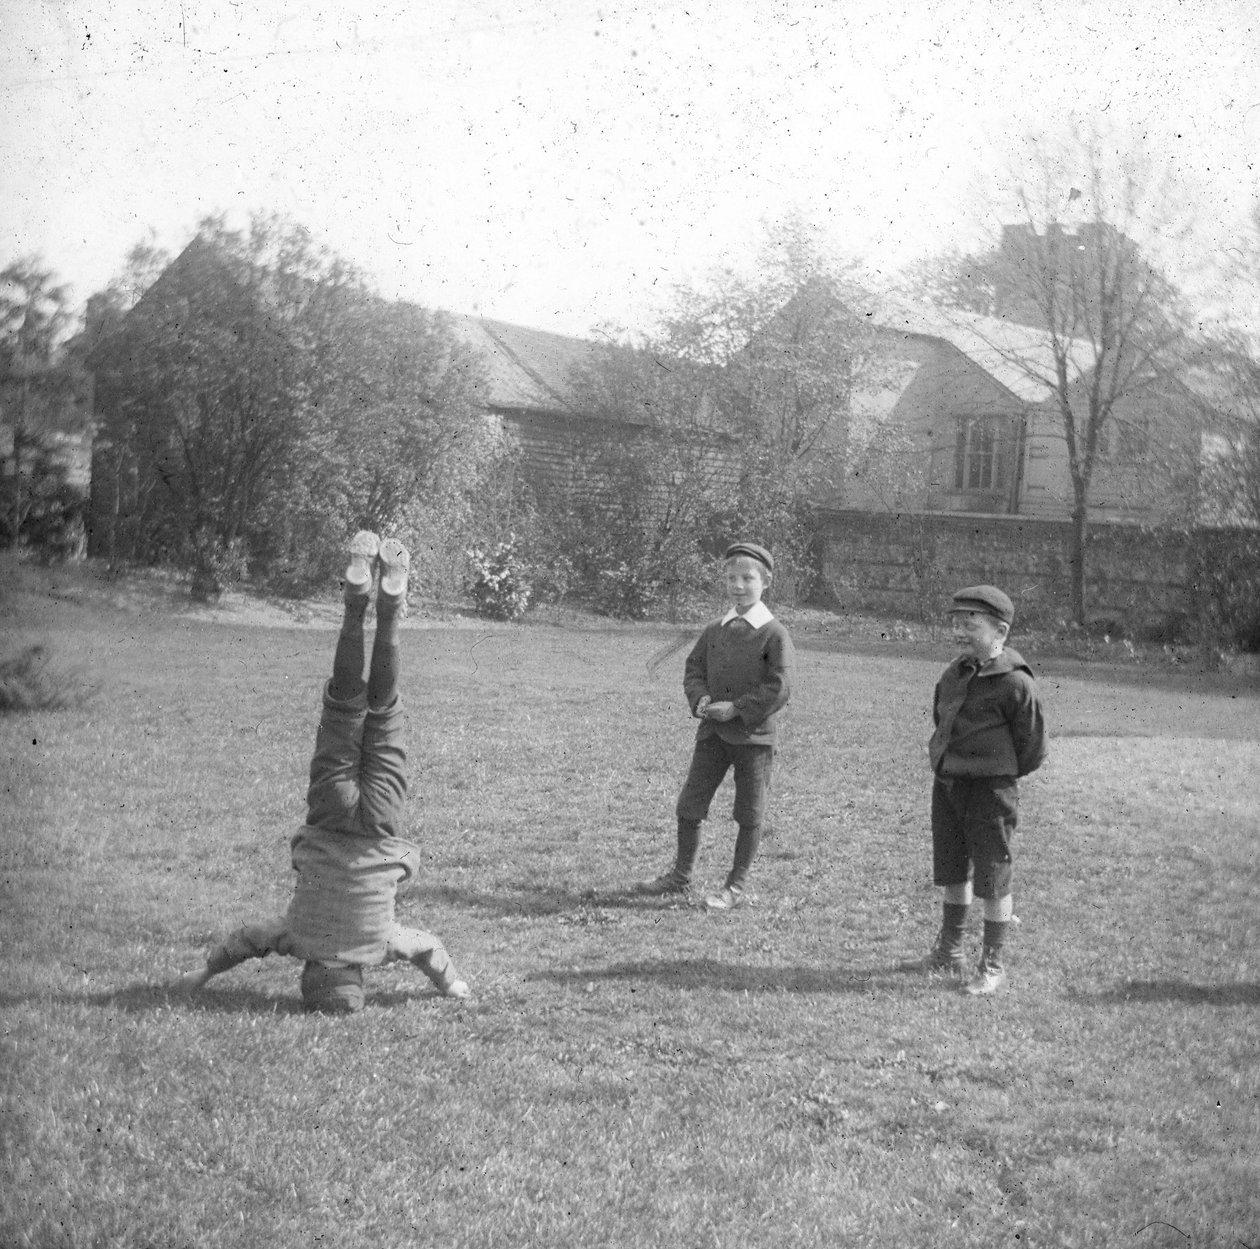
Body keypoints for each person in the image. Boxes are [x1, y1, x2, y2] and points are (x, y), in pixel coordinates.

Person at [176, 532, 469, 1013]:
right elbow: (244, 942)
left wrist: (452, 984)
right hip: (331, 812)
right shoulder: (296, 938)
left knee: (382, 710)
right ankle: (357, 602)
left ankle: (391, 605)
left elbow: (428, 947)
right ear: (309, 972)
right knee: (343, 706)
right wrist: (205, 970)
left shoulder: (380, 945)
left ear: (356, 976)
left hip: (378, 825)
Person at [634, 541, 794, 912]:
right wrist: (701, 699)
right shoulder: (714, 630)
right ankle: (680, 876)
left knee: (749, 812)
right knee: (690, 804)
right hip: (712, 736)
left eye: (747, 578)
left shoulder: (774, 634)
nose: (738, 586)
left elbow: (780, 687)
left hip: (753, 738)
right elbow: (694, 670)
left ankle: (735, 886)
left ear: (765, 582)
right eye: (731, 578)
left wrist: (737, 709)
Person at [914, 584, 1047, 995]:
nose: (961, 632)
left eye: (971, 625)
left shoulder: (1016, 683)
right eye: (957, 623)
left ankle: (992, 963)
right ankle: (949, 950)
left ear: (1000, 632)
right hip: (950, 784)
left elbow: (1033, 747)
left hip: (991, 793)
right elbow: (941, 718)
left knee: (992, 874)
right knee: (953, 867)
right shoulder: (953, 674)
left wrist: (994, 773)